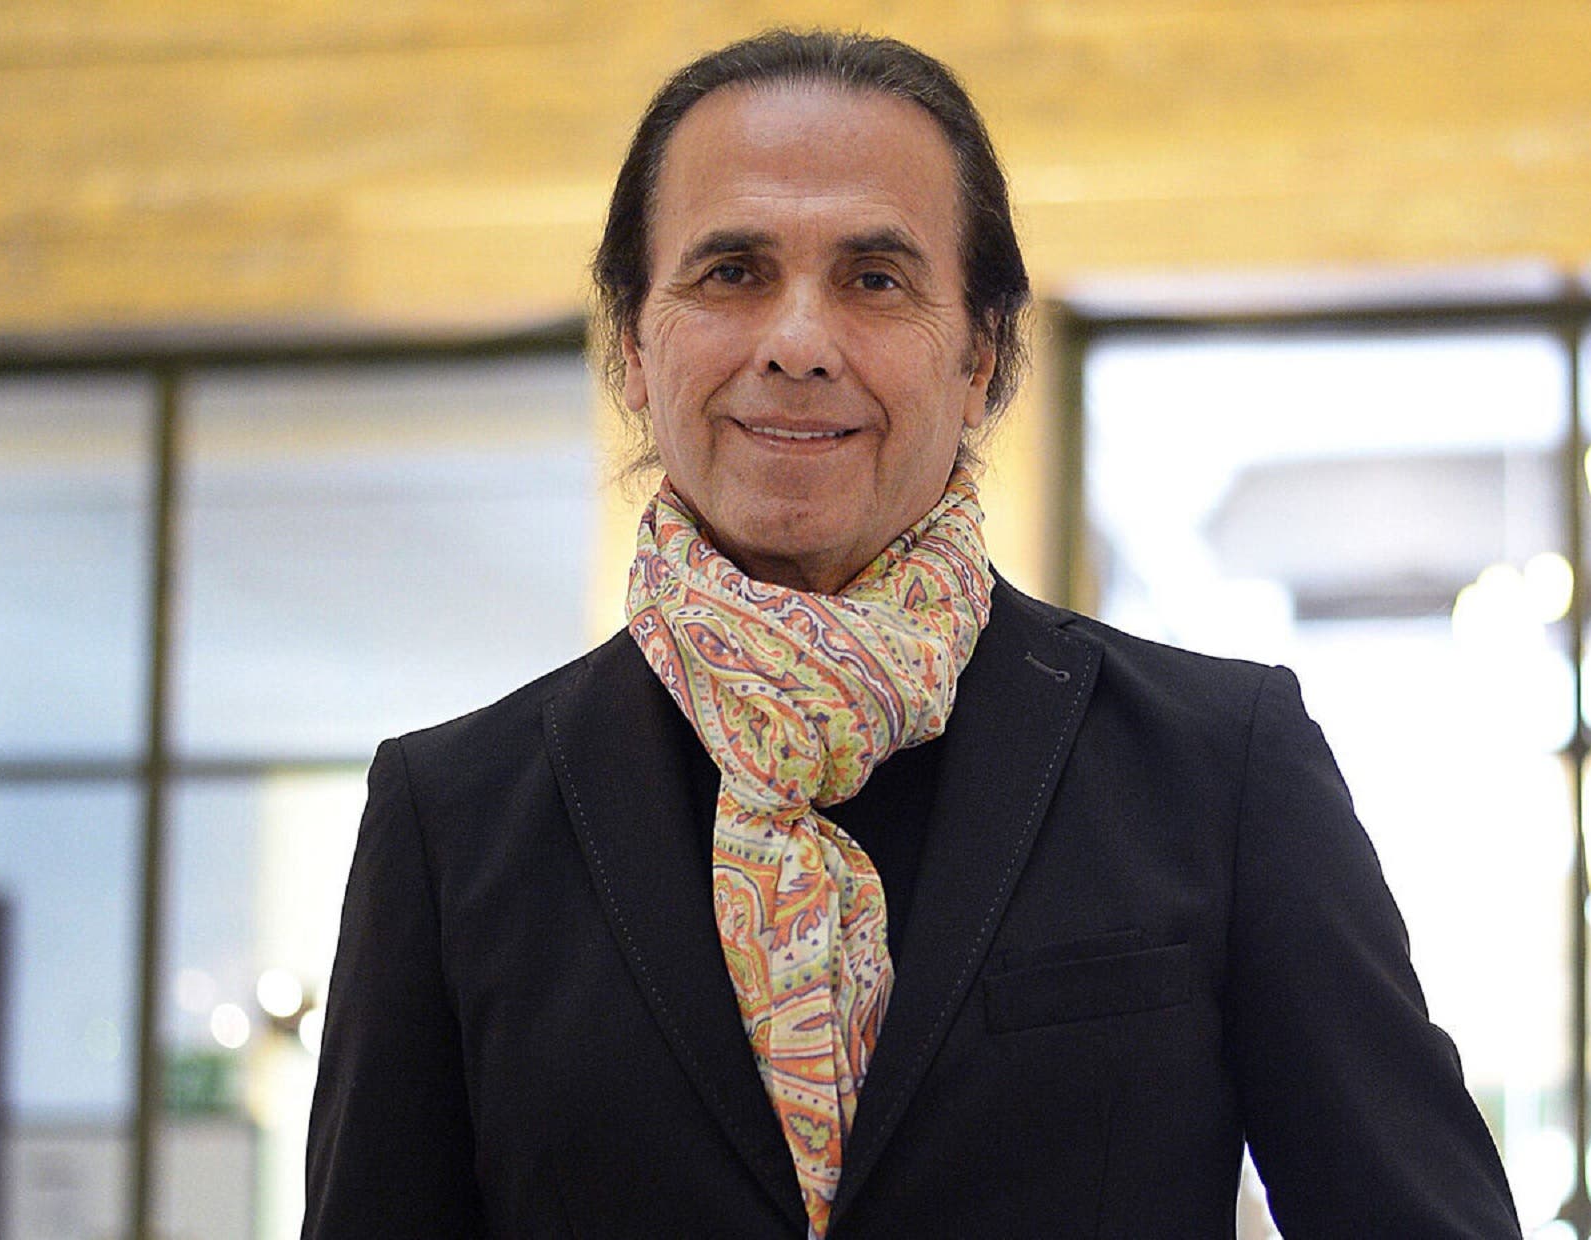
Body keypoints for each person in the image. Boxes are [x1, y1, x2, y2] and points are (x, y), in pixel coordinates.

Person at [303, 29, 1522, 1239]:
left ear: (980, 354)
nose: (796, 342)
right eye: (731, 272)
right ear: (631, 345)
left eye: (874, 280)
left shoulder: (1217, 768)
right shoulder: (452, 819)